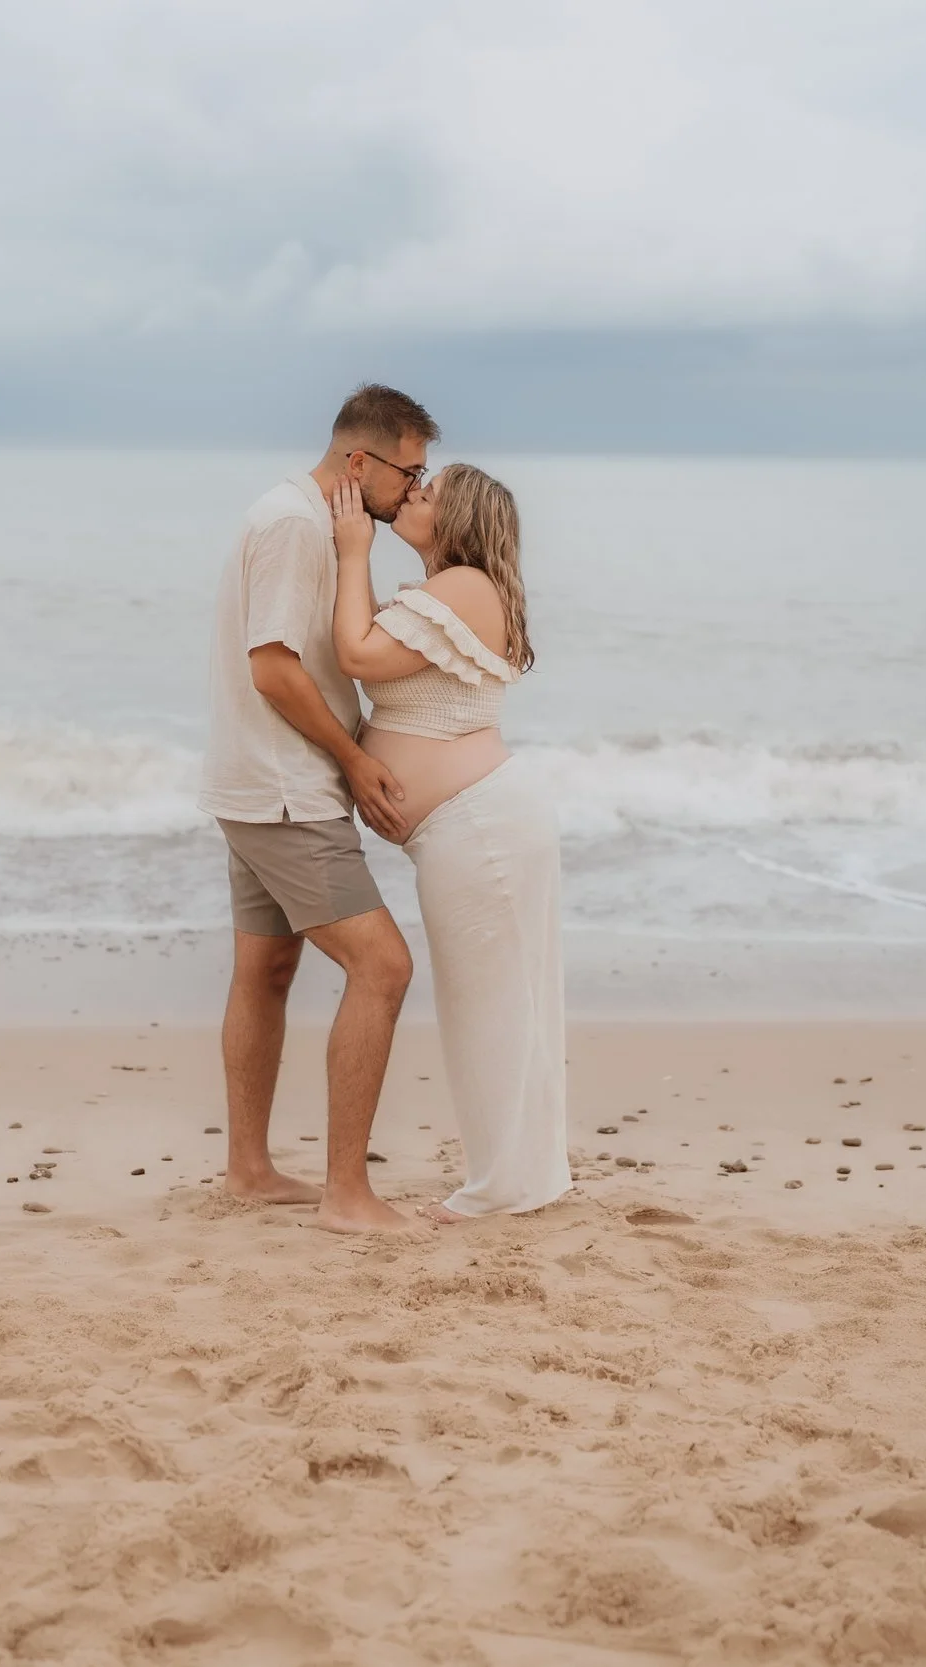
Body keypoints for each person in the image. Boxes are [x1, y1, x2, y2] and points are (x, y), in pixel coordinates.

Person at [199, 384, 437, 1234]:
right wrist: (354, 759)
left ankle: (250, 1171)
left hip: (261, 783)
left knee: (266, 972)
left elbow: (316, 661)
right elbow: (273, 667)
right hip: (285, 788)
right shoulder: (297, 525)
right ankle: (348, 1194)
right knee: (383, 966)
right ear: (359, 461)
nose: (416, 488)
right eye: (409, 472)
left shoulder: (302, 518)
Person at [328, 462, 570, 1223]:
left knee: (492, 1010)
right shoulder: (449, 591)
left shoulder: (464, 583)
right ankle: (518, 1179)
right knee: (500, 1006)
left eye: (429, 494)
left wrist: (350, 553)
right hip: (472, 828)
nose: (413, 494)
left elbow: (358, 656)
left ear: (459, 521)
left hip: (481, 827)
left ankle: (503, 1188)